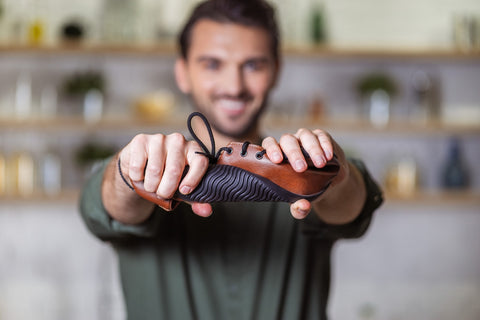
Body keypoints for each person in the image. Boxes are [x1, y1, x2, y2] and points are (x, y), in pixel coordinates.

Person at [79, 0, 383, 319]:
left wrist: (333, 174)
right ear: (182, 73)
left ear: (276, 71)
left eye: (253, 65)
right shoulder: (146, 166)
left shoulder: (304, 167)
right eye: (212, 64)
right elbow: (109, 204)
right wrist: (131, 174)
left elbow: (351, 204)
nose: (234, 86)